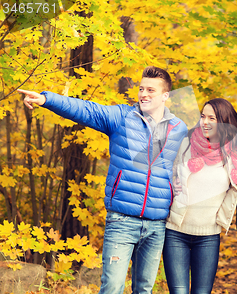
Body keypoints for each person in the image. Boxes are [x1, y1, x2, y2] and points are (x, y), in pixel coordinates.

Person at [19, 66, 188, 294]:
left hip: (156, 224)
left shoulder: (179, 129)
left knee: (145, 289)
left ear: (165, 96)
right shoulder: (121, 117)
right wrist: (47, 99)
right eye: (141, 89)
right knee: (112, 288)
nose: (144, 94)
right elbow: (85, 109)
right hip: (122, 221)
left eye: (151, 90)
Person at [163, 98, 237, 294]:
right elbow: (170, 177)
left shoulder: (233, 154)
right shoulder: (186, 143)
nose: (205, 122)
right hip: (176, 232)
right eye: (203, 116)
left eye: (212, 118)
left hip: (208, 236)